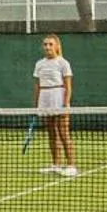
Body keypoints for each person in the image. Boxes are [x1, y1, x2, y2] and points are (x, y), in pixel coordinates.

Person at [33, 34, 79, 178]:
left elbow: (68, 86)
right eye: (45, 44)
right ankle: (56, 165)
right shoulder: (39, 64)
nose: (47, 47)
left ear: (57, 46)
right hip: (45, 99)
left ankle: (71, 165)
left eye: (50, 44)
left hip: (59, 97)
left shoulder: (63, 63)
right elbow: (37, 86)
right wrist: (36, 104)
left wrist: (65, 102)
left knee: (64, 133)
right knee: (51, 133)